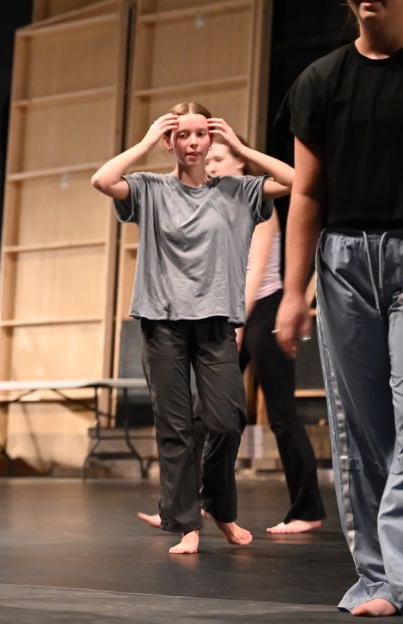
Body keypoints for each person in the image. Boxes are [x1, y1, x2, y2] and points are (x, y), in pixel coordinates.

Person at [274, 0, 403, 620]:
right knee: (362, 433)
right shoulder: (321, 80)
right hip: (343, 262)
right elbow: (307, 194)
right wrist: (292, 290)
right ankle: (374, 580)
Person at [91, 102, 292, 555]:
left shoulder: (237, 191)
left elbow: (299, 180)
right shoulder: (150, 188)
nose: (194, 143)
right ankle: (187, 525)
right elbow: (102, 180)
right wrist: (144, 143)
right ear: (171, 142)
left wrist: (242, 147)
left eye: (202, 134)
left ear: (212, 139)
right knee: (175, 427)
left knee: (226, 420)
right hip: (162, 321)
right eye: (183, 135)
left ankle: (218, 506)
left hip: (217, 321)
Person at [203, 139, 325, 535]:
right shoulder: (214, 207)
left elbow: (255, 270)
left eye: (219, 159)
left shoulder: (257, 202)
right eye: (208, 161)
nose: (211, 167)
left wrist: (236, 322)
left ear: (241, 163)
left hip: (265, 307)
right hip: (234, 309)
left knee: (281, 414)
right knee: (208, 408)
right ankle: (197, 501)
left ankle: (307, 509)